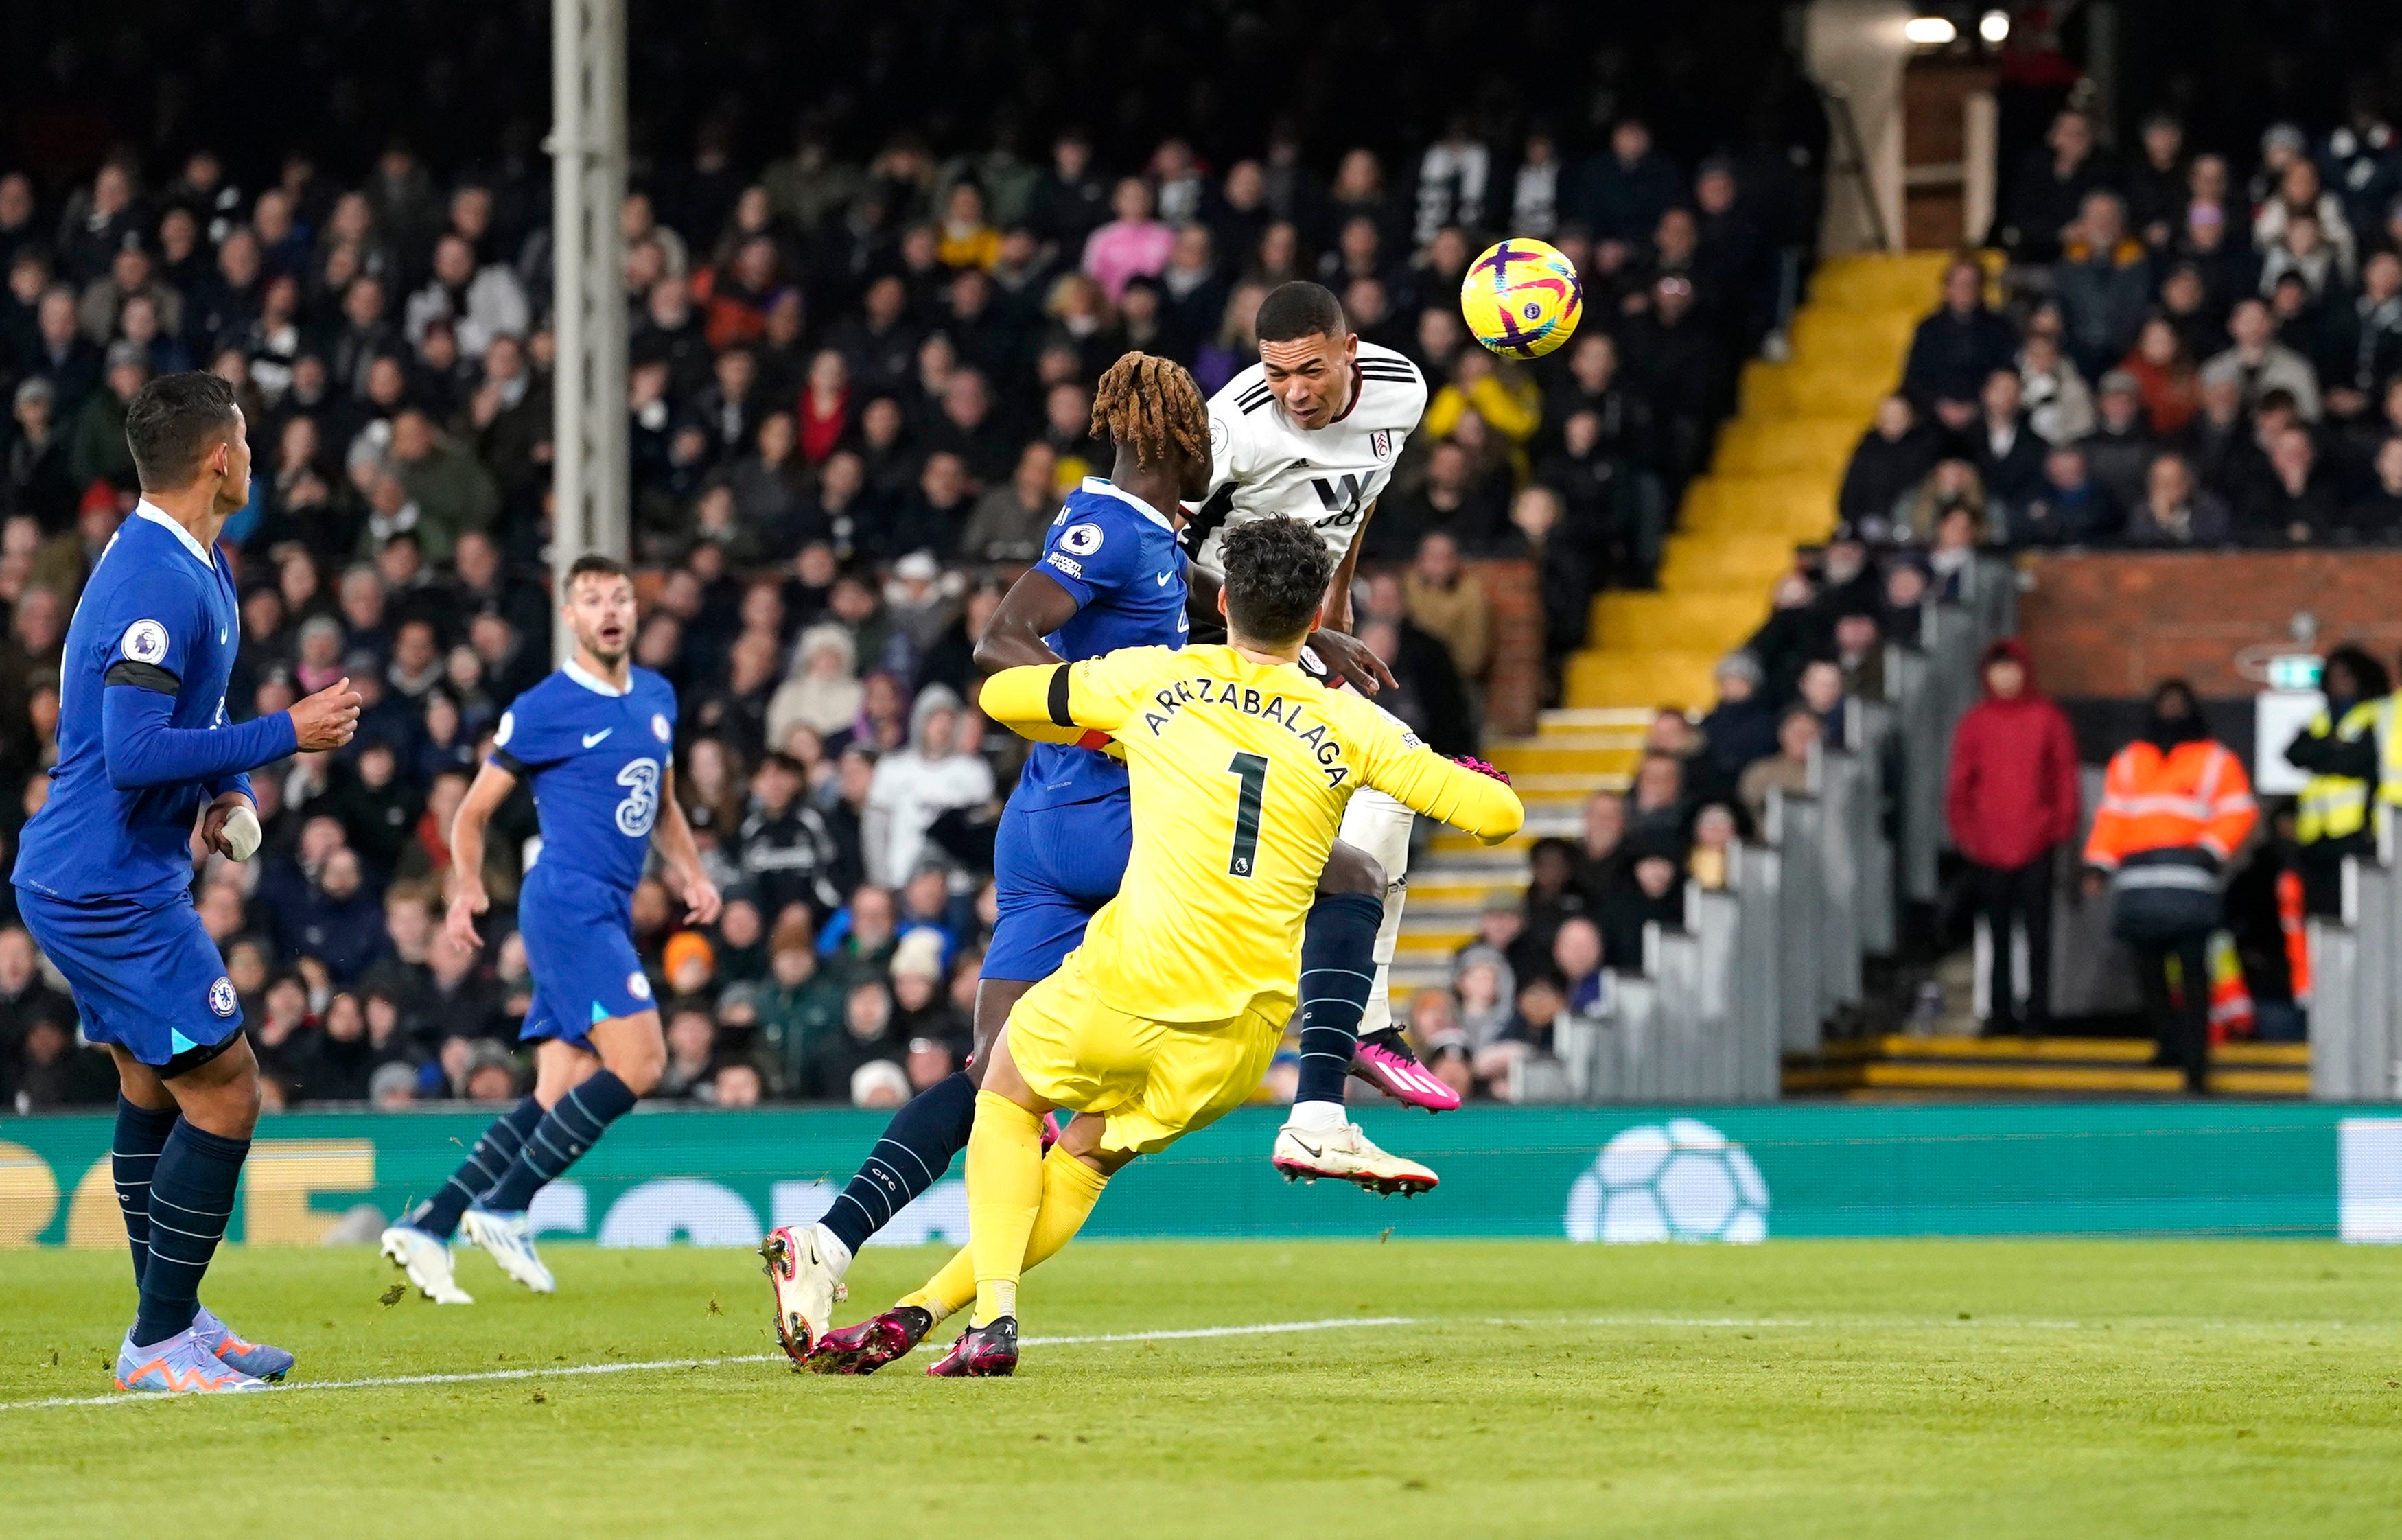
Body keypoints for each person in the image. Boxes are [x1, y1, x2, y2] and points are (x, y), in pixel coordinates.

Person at [758, 352, 1428, 1368]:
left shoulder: (1153, 540)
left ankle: (832, 1241)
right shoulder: (1108, 524)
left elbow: (1220, 602)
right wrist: (1119, 720)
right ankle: (1322, 1096)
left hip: (1040, 831)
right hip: (1115, 824)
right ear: (1176, 446)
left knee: (1000, 1081)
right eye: (1204, 440)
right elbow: (1000, 640)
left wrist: (1310, 641)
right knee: (1334, 876)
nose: (1220, 450)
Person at [808, 515, 1523, 1377]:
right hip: (1242, 1032)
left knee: (1002, 1093)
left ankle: (993, 1318)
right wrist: (1463, 778)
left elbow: (1000, 694)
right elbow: (1495, 817)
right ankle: (925, 1306)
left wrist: (1099, 723)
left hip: (1127, 984)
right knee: (1085, 1159)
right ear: (1312, 627)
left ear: (1221, 604)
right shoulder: (1353, 725)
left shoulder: (1157, 681)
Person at [12, 371, 362, 1393]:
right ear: (221, 457)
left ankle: (171, 1319)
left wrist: (227, 786)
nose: (254, 456)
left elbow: (187, 728)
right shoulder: (155, 580)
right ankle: (158, 1339)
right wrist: (288, 733)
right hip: (105, 886)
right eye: (246, 441)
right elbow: (128, 751)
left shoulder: (191, 559)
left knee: (148, 1084)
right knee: (229, 1088)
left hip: (109, 874)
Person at [378, 555, 721, 1303]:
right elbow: (470, 813)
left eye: (621, 597)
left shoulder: (657, 696)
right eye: (593, 599)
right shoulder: (543, 707)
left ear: (635, 611)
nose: (610, 610)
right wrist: (467, 886)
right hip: (567, 904)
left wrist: (692, 874)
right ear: (569, 617)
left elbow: (659, 803)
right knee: (642, 1062)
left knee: (556, 1086)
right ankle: (505, 1207)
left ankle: (430, 1225)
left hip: (607, 908)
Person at [2084, 680, 2258, 1093]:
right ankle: (2169, 1044)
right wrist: (2097, 865)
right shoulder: (2129, 760)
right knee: (2147, 972)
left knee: (2195, 975)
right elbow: (2113, 818)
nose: (2172, 709)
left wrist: (2211, 851)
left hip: (2189, 884)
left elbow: (2238, 810)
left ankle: (2196, 1063)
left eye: (2179, 702)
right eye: (2166, 702)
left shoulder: (2215, 759)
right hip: (2140, 883)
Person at [1944, 640, 2081, 1036]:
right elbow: (1960, 785)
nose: (2005, 678)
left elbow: (2063, 776)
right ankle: (2000, 1012)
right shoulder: (1975, 722)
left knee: (2039, 934)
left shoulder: (2047, 718)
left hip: (2037, 842)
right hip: (1988, 846)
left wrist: (2058, 827)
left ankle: (2038, 1012)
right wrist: (1968, 834)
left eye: (2012, 669)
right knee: (1998, 934)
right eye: (1998, 670)